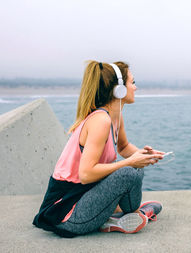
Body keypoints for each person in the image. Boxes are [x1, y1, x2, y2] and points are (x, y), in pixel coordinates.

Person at [33, 61, 164, 237]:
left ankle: (115, 216)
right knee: (129, 172)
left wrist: (145, 156)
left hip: (83, 198)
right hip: (66, 215)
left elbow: (124, 147)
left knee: (134, 168)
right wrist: (131, 162)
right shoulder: (101, 120)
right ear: (119, 89)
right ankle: (124, 215)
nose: (136, 87)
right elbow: (86, 174)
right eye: (132, 82)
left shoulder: (115, 115)